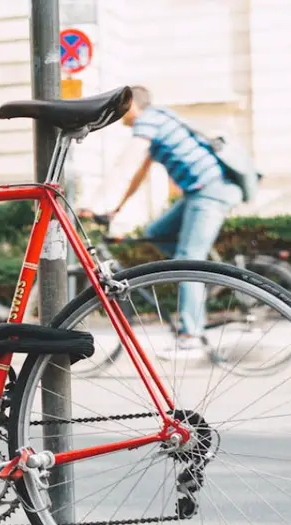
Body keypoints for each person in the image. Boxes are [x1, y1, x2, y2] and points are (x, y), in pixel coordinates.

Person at [87, 85, 243, 356]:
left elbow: (125, 164)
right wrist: (116, 209)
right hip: (197, 194)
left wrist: (94, 203)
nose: (118, 114)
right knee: (156, 232)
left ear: (131, 103)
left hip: (210, 192)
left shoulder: (149, 121)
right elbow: (138, 175)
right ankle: (207, 275)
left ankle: (189, 335)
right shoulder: (160, 120)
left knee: (186, 259)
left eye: (120, 106)